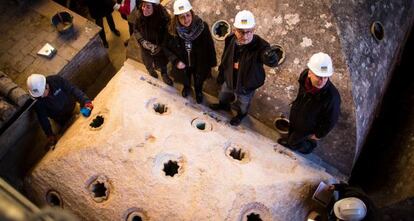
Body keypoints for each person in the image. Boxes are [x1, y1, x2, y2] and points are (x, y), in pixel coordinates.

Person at [209, 10, 280, 126]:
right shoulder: (230, 39)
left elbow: (270, 60)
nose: (245, 36)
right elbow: (225, 57)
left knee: (243, 103)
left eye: (249, 32)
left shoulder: (261, 45)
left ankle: (240, 115)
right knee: (223, 94)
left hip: (247, 84)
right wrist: (222, 73)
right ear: (234, 30)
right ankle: (223, 105)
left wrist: (271, 58)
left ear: (254, 29)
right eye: (241, 32)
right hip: (230, 78)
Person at [278, 52, 341, 154]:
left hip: (308, 126)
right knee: (292, 132)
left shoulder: (332, 97)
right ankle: (291, 141)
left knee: (295, 142)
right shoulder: (304, 77)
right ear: (309, 73)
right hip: (297, 115)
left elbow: (331, 120)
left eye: (325, 77)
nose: (322, 81)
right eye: (319, 76)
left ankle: (308, 147)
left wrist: (318, 135)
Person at [163, 0, 217, 103]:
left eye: (188, 15)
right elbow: (165, 46)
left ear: (191, 13)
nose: (186, 19)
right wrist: (176, 61)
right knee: (185, 77)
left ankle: (198, 91)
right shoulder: (172, 29)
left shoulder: (202, 26)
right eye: (182, 17)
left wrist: (212, 63)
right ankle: (187, 87)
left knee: (199, 79)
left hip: (199, 62)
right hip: (183, 62)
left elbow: (210, 45)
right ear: (177, 18)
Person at [26, 74, 93, 148]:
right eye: (38, 95)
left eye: (42, 93)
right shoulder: (38, 101)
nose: (41, 96)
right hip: (60, 121)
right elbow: (43, 118)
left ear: (46, 86)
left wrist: (86, 101)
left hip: (73, 108)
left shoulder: (56, 81)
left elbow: (72, 89)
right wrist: (49, 134)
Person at [133, 0, 173, 86]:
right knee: (147, 61)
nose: (144, 9)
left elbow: (167, 36)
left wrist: (160, 47)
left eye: (148, 6)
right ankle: (150, 70)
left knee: (162, 62)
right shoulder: (139, 14)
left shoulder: (163, 18)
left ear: (154, 7)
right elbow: (135, 29)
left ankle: (164, 74)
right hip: (145, 47)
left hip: (159, 47)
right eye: (143, 6)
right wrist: (142, 41)